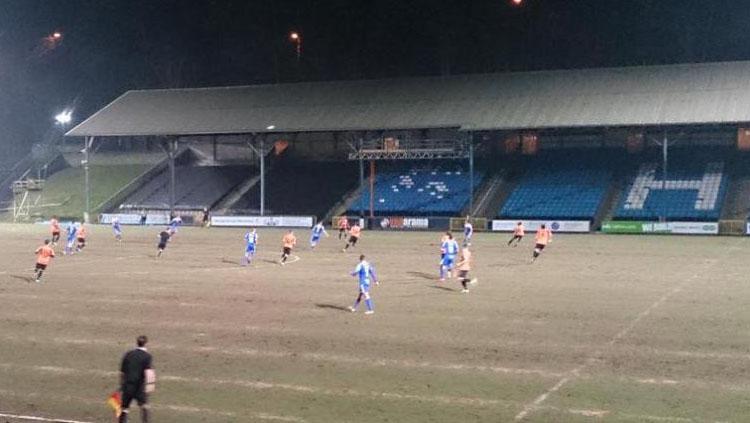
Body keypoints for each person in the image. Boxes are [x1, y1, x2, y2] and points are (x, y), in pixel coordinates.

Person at [118, 335, 154, 423]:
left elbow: (122, 372)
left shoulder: (128, 354)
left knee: (124, 408)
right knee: (144, 406)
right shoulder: (147, 356)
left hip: (127, 385)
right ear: (146, 343)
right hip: (139, 386)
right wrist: (150, 387)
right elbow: (149, 373)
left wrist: (122, 385)